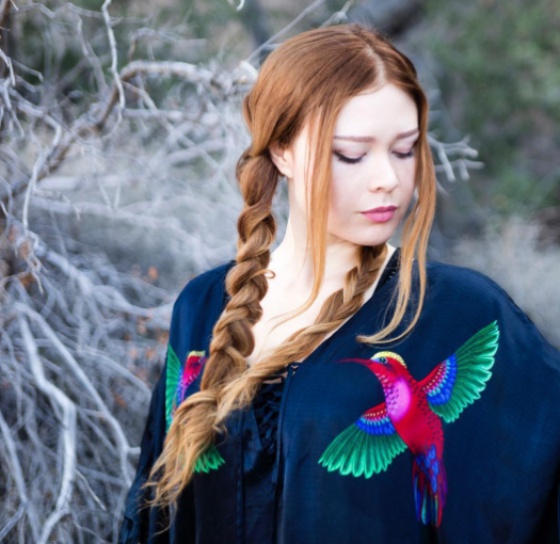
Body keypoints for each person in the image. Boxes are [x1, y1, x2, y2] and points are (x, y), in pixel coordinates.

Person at [119, 24, 560, 544]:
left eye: (405, 150)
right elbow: (155, 515)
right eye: (351, 154)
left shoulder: (460, 314)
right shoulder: (202, 307)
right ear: (282, 150)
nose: (388, 179)